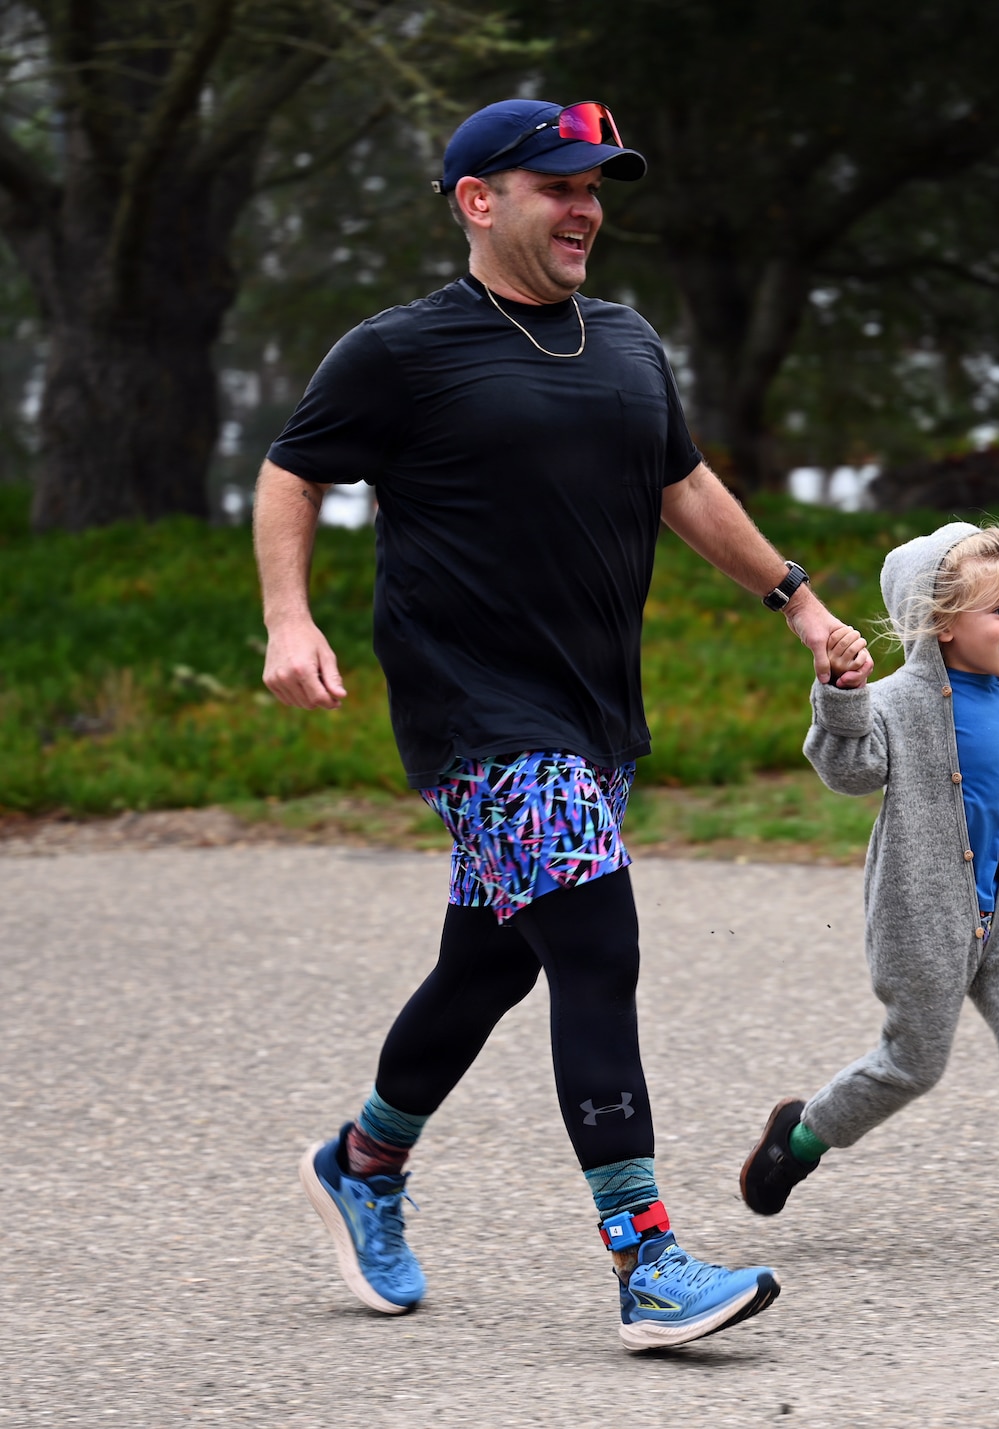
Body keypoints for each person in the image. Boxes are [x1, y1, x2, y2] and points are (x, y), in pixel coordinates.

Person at [253, 98, 872, 1350]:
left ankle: (363, 1163)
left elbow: (682, 481)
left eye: (596, 185)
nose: (586, 206)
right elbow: (291, 469)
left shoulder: (627, 341)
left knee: (491, 962)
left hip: (592, 711)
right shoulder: (400, 351)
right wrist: (287, 619)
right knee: (596, 943)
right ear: (479, 200)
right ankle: (646, 1262)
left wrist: (796, 601)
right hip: (477, 710)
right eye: (557, 184)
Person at [736, 522, 999, 1244]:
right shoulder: (899, 700)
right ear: (941, 625)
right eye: (998, 611)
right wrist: (842, 694)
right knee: (912, 1065)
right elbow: (850, 771)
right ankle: (800, 1136)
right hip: (922, 918)